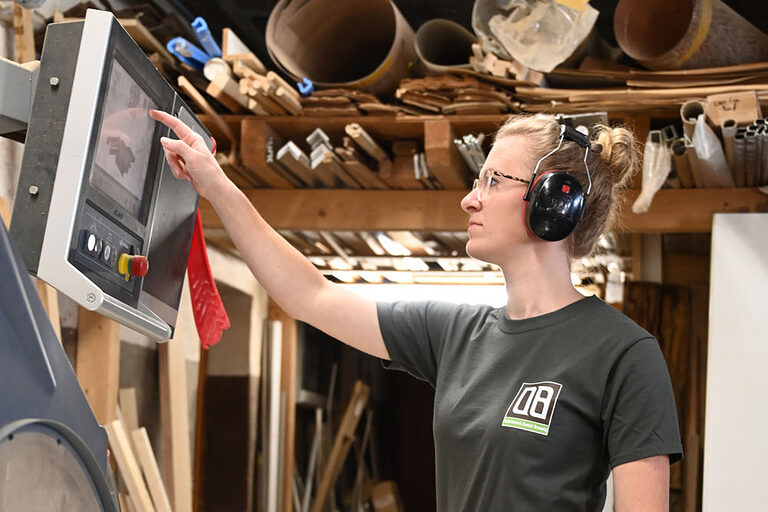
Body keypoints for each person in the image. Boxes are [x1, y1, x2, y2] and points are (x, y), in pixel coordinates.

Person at [150, 109, 682, 511]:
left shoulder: (623, 354)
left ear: (552, 201)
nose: (469, 200)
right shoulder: (455, 333)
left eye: (492, 181)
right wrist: (216, 185)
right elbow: (309, 295)